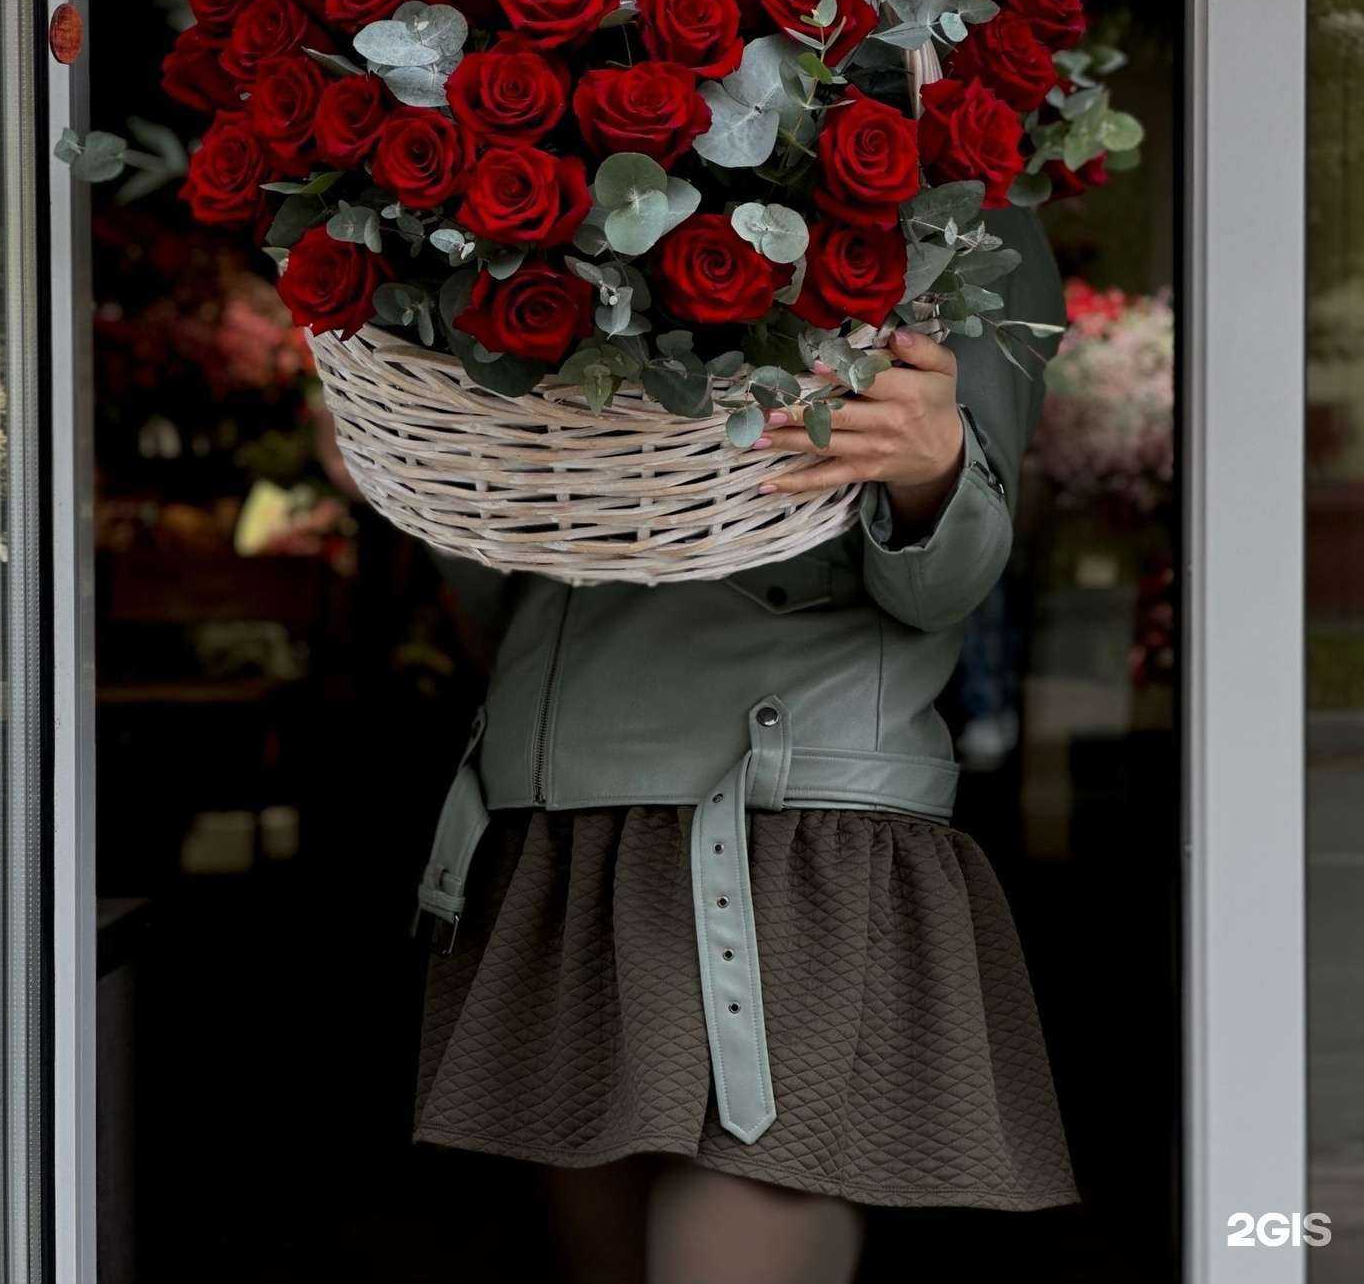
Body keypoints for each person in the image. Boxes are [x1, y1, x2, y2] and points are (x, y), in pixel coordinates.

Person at [411, 205, 1076, 1284]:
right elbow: (504, 577)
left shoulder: (954, 194)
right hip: (568, 815)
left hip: (786, 832)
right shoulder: (546, 204)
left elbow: (947, 583)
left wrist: (935, 464)